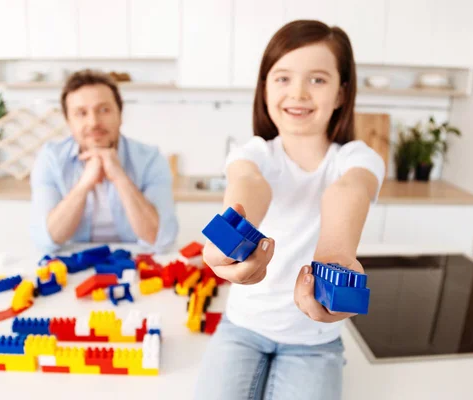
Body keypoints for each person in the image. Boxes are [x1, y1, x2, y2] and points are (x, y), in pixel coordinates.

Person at [195, 20, 385, 400]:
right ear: (264, 87)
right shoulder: (252, 154)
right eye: (282, 78)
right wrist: (232, 233)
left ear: (341, 93)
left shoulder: (357, 159)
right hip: (242, 328)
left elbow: (348, 190)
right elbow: (249, 184)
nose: (298, 92)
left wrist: (335, 255)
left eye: (317, 79)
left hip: (314, 339)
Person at [29, 70, 178, 254]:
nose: (94, 122)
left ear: (120, 114)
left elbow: (161, 239)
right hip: (73, 266)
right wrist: (84, 184)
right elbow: (46, 239)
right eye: (81, 113)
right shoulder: (50, 159)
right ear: (68, 121)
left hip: (136, 264)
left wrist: (119, 177)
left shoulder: (150, 159)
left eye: (104, 110)